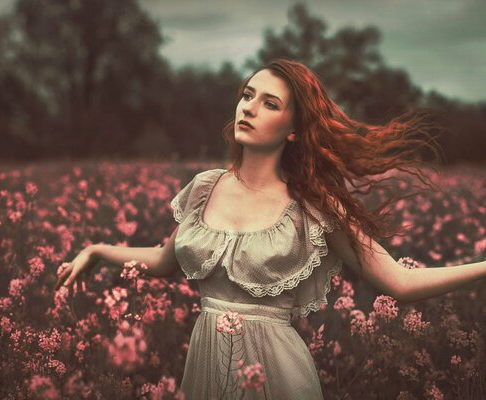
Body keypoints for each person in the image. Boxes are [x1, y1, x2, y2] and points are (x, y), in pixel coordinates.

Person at [54, 59, 486, 399]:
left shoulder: (313, 207)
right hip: (205, 370)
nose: (249, 108)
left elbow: (401, 282)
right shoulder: (205, 188)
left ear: (295, 130)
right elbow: (163, 260)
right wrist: (97, 250)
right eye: (247, 95)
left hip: (279, 376)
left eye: (270, 103)